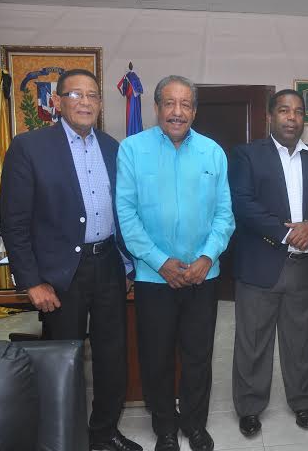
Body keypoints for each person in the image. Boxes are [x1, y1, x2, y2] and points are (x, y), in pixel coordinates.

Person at [0, 69, 142, 451]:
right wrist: (32, 281)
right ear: (57, 101)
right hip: (60, 274)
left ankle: (104, 434)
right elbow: (14, 223)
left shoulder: (113, 148)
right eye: (75, 94)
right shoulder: (29, 147)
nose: (85, 102)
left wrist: (127, 263)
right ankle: (64, 436)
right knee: (64, 360)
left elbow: (123, 211)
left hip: (108, 266)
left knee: (113, 357)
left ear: (100, 103)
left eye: (92, 95)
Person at [116, 75, 234, 451]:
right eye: (169, 103)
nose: (177, 112)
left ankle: (195, 425)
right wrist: (160, 261)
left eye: (185, 104)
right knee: (157, 357)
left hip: (203, 276)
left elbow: (225, 215)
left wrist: (206, 257)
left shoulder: (213, 152)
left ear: (195, 111)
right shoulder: (132, 150)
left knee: (198, 356)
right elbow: (126, 215)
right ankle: (165, 428)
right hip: (154, 277)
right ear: (156, 108)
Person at [229, 89, 308, 437]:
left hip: (304, 268)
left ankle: (303, 401)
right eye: (284, 110)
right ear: (270, 116)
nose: (292, 118)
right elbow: (243, 204)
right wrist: (286, 233)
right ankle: (250, 407)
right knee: (253, 343)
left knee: (301, 341)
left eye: (298, 112)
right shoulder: (247, 155)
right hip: (259, 265)